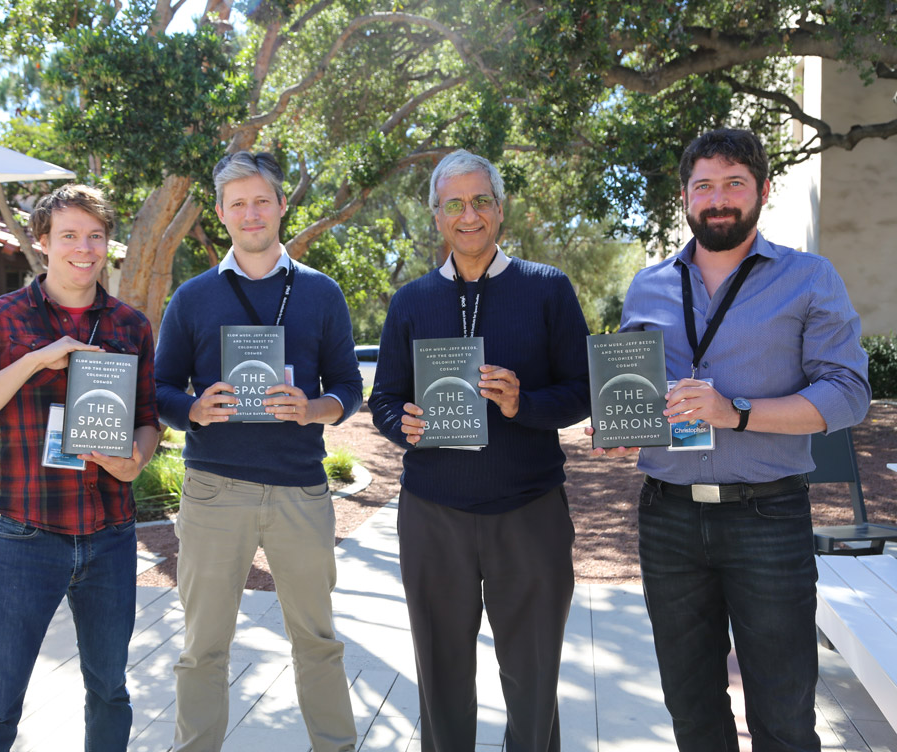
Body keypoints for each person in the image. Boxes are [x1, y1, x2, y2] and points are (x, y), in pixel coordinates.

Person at [591, 128, 871, 751]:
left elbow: (849, 392)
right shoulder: (647, 286)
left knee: (785, 717)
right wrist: (620, 426)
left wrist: (735, 411)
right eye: (704, 186)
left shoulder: (809, 277)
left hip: (768, 516)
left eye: (734, 183)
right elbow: (635, 390)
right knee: (692, 713)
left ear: (763, 190)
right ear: (685, 197)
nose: (718, 199)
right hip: (667, 518)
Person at [368, 149, 591, 751]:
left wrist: (524, 404)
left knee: (533, 677)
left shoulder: (547, 288)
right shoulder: (410, 301)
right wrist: (403, 424)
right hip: (433, 513)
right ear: (437, 216)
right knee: (441, 677)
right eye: (455, 205)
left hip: (530, 511)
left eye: (481, 201)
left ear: (500, 208)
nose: (469, 216)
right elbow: (383, 398)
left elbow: (582, 391)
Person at [0, 184, 160, 751]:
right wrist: (36, 360)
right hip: (26, 536)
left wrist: (136, 460)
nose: (84, 248)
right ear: (42, 241)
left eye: (96, 236)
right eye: (69, 235)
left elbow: (148, 419)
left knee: (110, 692)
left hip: (111, 534)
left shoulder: (130, 325)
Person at [154, 151, 362, 752]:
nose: (251, 213)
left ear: (282, 205)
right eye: (237, 203)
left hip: (301, 490)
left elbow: (348, 387)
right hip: (214, 491)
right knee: (203, 647)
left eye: (261, 201)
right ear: (221, 213)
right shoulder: (193, 297)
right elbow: (160, 388)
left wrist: (313, 408)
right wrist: (193, 409)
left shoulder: (321, 292)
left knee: (317, 642)